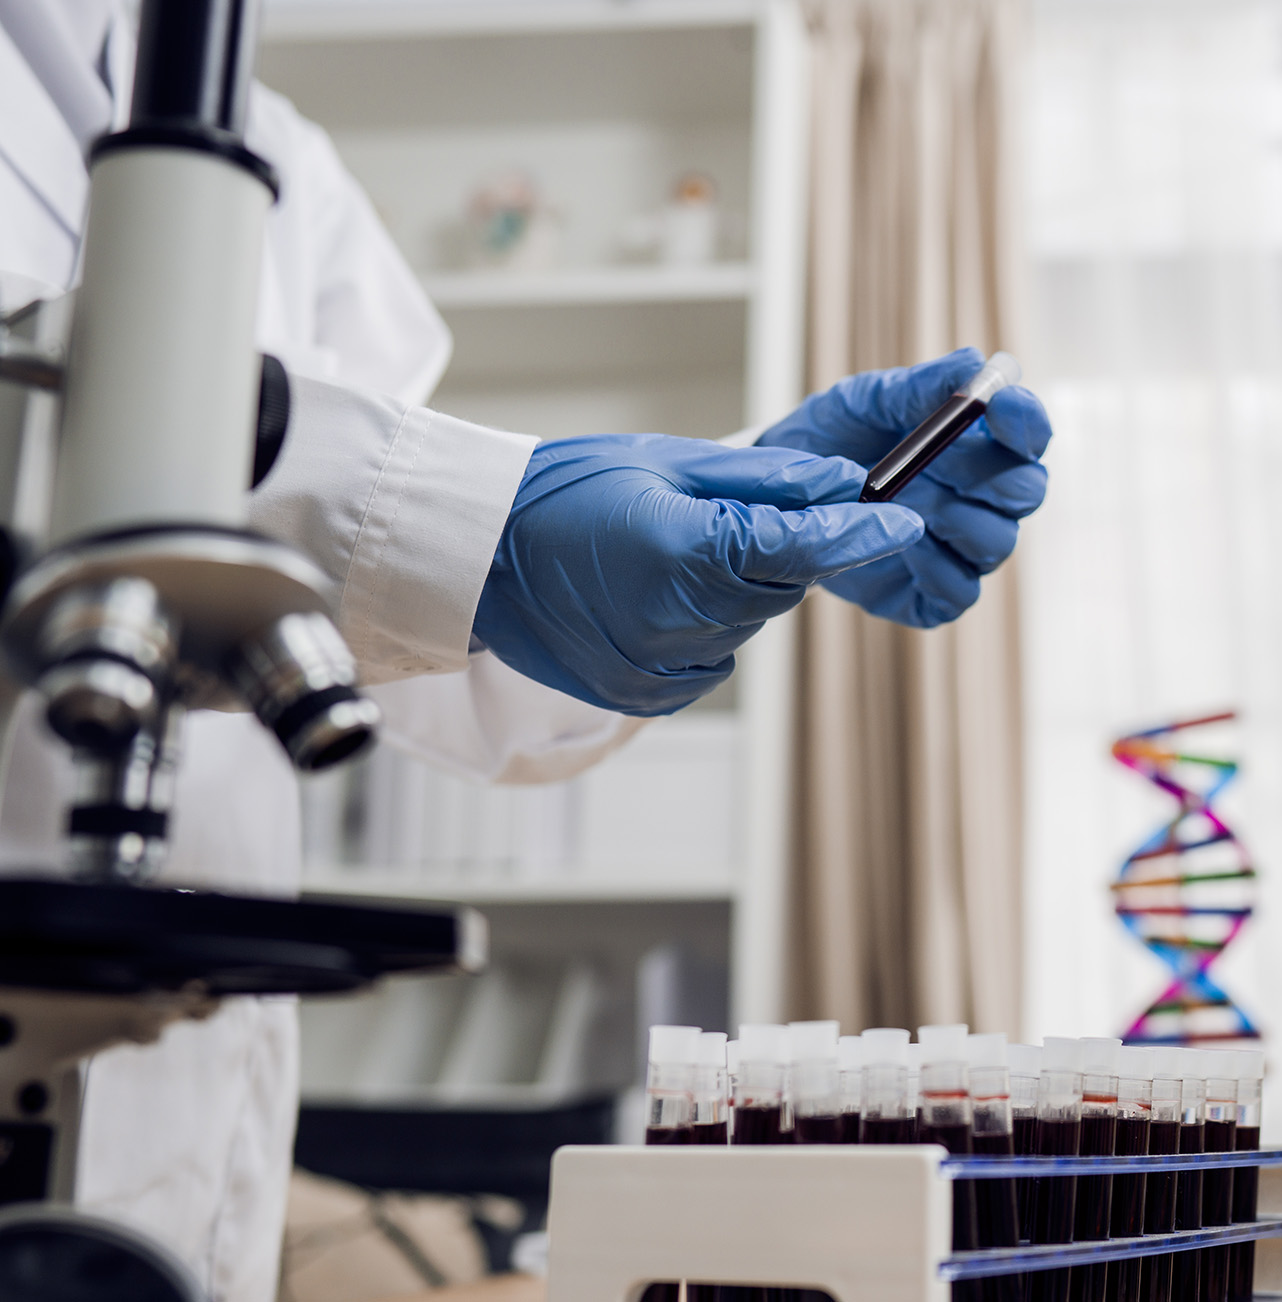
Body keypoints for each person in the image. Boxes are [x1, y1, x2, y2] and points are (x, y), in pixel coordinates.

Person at [0, 2, 1051, 1298]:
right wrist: (477, 530)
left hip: (187, 1154)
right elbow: (380, 512)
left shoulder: (278, 155)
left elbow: (412, 614)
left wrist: (713, 552)